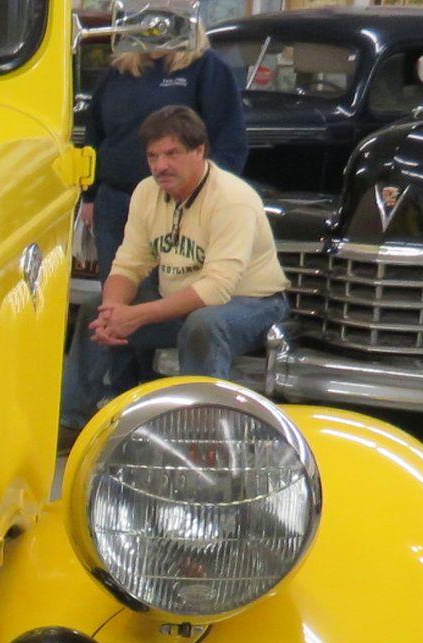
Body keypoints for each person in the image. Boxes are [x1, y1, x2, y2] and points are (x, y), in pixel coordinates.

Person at [61, 105, 289, 432]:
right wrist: (114, 310)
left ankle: (202, 434)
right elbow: (129, 263)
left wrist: (137, 316)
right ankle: (72, 422)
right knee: (92, 308)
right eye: (153, 156)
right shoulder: (145, 192)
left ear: (200, 152)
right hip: (179, 298)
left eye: (172, 154)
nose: (161, 166)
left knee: (203, 324)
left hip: (252, 302)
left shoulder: (232, 199)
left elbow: (217, 288)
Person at [81, 0, 249, 281]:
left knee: (174, 297)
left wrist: (206, 200)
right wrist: (90, 196)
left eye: (166, 18)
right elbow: (95, 135)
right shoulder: (119, 72)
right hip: (117, 204)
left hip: (180, 206)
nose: (156, 27)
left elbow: (229, 142)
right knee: (119, 295)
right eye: (147, 18)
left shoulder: (207, 68)